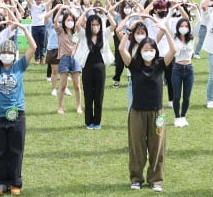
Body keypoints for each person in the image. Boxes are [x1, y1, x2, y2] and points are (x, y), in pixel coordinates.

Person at [119, 14, 176, 192]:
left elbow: (173, 50)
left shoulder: (159, 64)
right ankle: (136, 178)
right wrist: (129, 31)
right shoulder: (134, 65)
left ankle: (155, 180)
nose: (148, 51)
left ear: (155, 50)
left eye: (151, 48)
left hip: (157, 112)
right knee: (137, 146)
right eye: (145, 48)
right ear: (140, 50)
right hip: (137, 112)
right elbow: (122, 50)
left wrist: (166, 31)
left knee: (157, 146)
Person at [0, 20, 37, 196]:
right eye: (3, 52)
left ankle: (14, 182)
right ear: (0, 54)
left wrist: (22, 28)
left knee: (15, 151)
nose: (6, 54)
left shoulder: (19, 66)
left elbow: (33, 47)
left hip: (17, 116)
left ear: (14, 54)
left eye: (9, 52)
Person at [74, 12, 116, 129]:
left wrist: (107, 13)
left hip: (100, 69)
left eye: (97, 24)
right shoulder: (83, 35)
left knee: (99, 96)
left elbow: (113, 25)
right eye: (92, 24)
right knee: (88, 96)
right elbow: (77, 24)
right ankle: (89, 122)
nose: (95, 26)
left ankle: (97, 122)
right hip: (87, 68)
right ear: (89, 25)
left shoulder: (104, 34)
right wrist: (85, 12)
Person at [54, 7, 82, 115]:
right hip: (64, 58)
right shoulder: (60, 30)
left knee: (77, 85)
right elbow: (55, 21)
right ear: (64, 21)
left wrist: (70, 10)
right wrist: (61, 8)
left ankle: (78, 106)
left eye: (71, 20)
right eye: (67, 20)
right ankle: (60, 107)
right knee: (63, 85)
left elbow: (78, 19)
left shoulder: (76, 30)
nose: (70, 22)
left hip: (75, 59)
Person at [170, 18, 194, 127]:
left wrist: (196, 9)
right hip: (177, 68)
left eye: (186, 26)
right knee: (176, 96)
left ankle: (183, 116)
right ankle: (177, 117)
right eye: (181, 26)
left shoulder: (191, 38)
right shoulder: (174, 38)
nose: (183, 28)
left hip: (189, 68)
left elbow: (199, 22)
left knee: (187, 96)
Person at [28, 0, 47, 64]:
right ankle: (37, 58)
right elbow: (28, 1)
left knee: (42, 43)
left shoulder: (44, 5)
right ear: (35, 0)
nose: (39, 1)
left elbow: (50, 0)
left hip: (42, 26)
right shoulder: (32, 6)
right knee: (36, 44)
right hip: (34, 26)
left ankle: (42, 57)